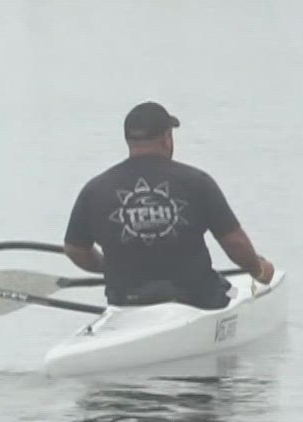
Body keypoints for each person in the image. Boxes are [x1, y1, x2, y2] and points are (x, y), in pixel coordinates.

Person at [63, 101, 275, 309]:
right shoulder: (196, 182)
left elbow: (75, 249)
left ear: (128, 141)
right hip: (197, 299)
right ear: (167, 138)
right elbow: (234, 243)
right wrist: (258, 269)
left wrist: (106, 267)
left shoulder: (95, 190)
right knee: (223, 290)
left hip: (126, 301)